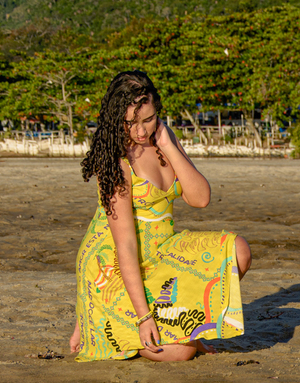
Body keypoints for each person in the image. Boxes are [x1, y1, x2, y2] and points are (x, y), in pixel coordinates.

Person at [71, 70, 252, 362]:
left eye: (148, 119)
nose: (141, 132)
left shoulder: (162, 140)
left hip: (162, 253)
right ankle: (97, 318)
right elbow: (125, 247)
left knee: (238, 250)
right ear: (117, 119)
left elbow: (200, 198)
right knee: (181, 352)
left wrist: (168, 145)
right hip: (115, 269)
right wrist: (143, 318)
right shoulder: (116, 162)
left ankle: (188, 330)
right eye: (130, 122)